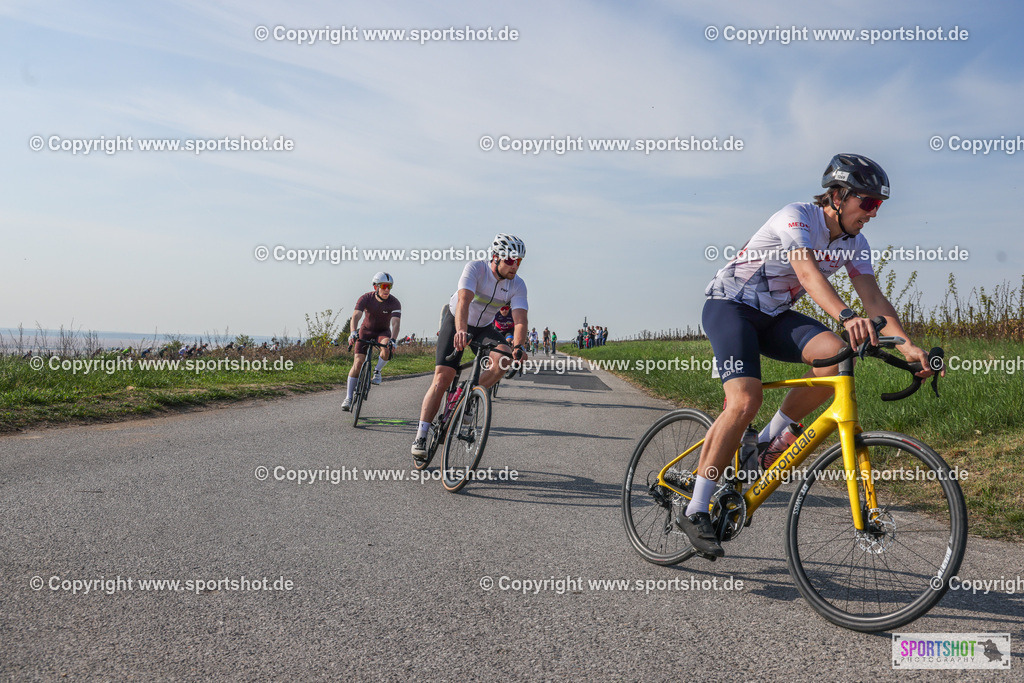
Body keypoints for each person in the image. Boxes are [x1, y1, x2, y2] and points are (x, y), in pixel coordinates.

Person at [679, 153, 939, 558]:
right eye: (868, 202)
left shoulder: (856, 244)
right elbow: (806, 273)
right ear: (837, 196)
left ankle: (766, 443)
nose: (873, 213)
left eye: (879, 205)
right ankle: (696, 510)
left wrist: (909, 347)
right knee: (745, 400)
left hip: (774, 316)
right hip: (731, 307)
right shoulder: (797, 217)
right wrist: (846, 316)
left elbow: (873, 298)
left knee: (836, 357)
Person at [411, 234, 529, 457]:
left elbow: (520, 320)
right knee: (442, 378)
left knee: (503, 359)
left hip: (484, 327)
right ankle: (421, 434)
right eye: (510, 260)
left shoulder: (518, 284)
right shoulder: (476, 268)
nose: (515, 266)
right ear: (496, 257)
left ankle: (468, 394)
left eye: (519, 261)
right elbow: (464, 302)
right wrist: (461, 330)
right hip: (457, 320)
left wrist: (519, 346)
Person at [342, 272, 401, 411]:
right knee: (358, 363)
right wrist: (353, 332)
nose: (387, 290)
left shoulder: (394, 302)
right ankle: (348, 398)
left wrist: (393, 339)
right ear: (376, 287)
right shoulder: (366, 298)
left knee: (386, 349)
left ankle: (377, 371)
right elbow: (356, 316)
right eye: (384, 286)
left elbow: (396, 323)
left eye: (390, 287)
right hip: (366, 331)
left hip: (382, 332)